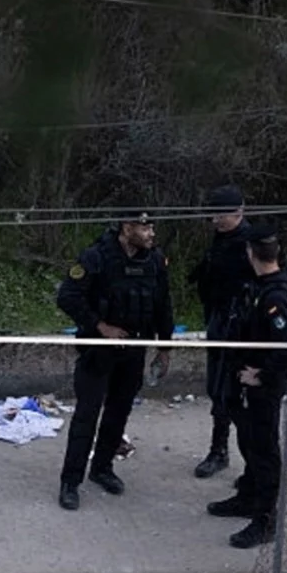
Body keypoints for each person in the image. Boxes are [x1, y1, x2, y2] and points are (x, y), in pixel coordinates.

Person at [54, 212, 174, 511]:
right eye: (145, 226)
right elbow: (67, 297)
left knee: (118, 413)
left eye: (151, 225)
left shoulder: (155, 261)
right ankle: (71, 481)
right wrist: (101, 326)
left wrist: (165, 346)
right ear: (127, 227)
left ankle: (102, 468)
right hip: (99, 350)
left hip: (133, 349)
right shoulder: (96, 257)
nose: (151, 233)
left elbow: (163, 303)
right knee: (87, 415)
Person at [209, 229, 287, 549]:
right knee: (248, 440)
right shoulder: (257, 287)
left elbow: (285, 347)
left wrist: (261, 376)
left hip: (261, 386)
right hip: (242, 378)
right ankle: (248, 495)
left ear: (251, 253)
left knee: (264, 449)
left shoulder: (277, 295)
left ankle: (265, 518)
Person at [187, 184, 253, 478]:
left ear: (238, 212)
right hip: (219, 319)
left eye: (221, 214)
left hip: (242, 328)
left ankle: (251, 462)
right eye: (213, 214)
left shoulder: (250, 243)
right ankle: (219, 450)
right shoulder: (221, 239)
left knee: (238, 395)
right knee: (218, 389)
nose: (215, 220)